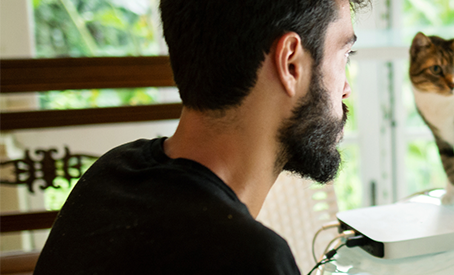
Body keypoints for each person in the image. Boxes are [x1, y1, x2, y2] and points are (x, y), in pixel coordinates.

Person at [34, 0, 366, 273]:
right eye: (344, 56)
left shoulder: (110, 174)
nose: (346, 89)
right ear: (291, 63)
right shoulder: (244, 258)